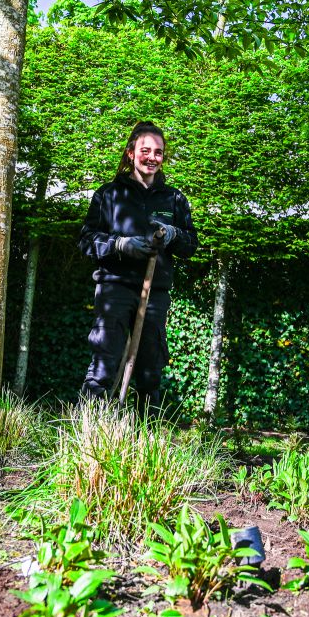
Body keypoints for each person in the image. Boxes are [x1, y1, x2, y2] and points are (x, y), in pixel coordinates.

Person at [78, 121, 198, 413]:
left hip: (154, 293)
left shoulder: (174, 199)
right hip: (114, 288)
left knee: (149, 370)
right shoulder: (109, 195)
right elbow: (86, 240)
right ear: (131, 153)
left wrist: (173, 235)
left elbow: (191, 244)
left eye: (158, 152)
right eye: (145, 150)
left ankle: (145, 441)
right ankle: (88, 433)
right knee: (103, 365)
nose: (152, 157)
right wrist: (119, 245)